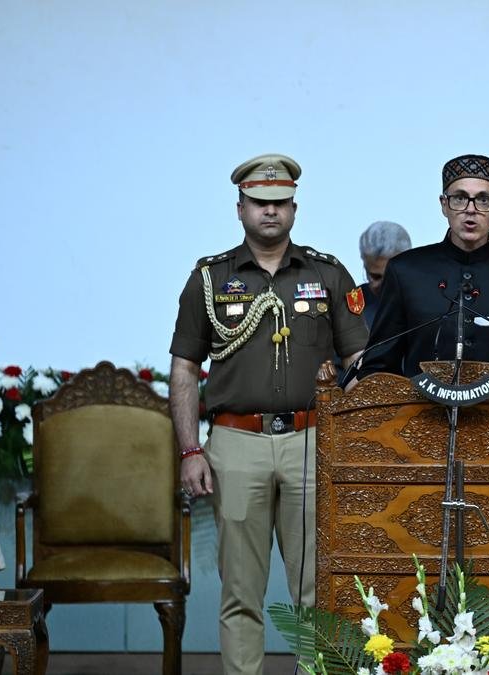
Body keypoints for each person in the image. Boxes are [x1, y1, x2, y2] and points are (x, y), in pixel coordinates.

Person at [168, 153, 368, 675]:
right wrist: (191, 450)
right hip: (236, 445)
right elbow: (185, 369)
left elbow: (360, 361)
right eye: (260, 203)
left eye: (280, 203)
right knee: (240, 592)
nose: (270, 212)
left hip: (312, 443)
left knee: (315, 591)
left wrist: (353, 440)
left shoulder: (327, 272)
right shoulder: (210, 280)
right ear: (240, 208)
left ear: (294, 209)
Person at [358, 154, 489, 380]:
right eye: (460, 198)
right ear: (444, 205)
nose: (470, 209)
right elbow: (378, 367)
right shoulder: (405, 270)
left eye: (483, 200)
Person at [357, 220, 412, 329]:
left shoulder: (434, 298)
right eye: (375, 277)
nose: (385, 285)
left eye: (391, 277)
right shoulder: (352, 303)